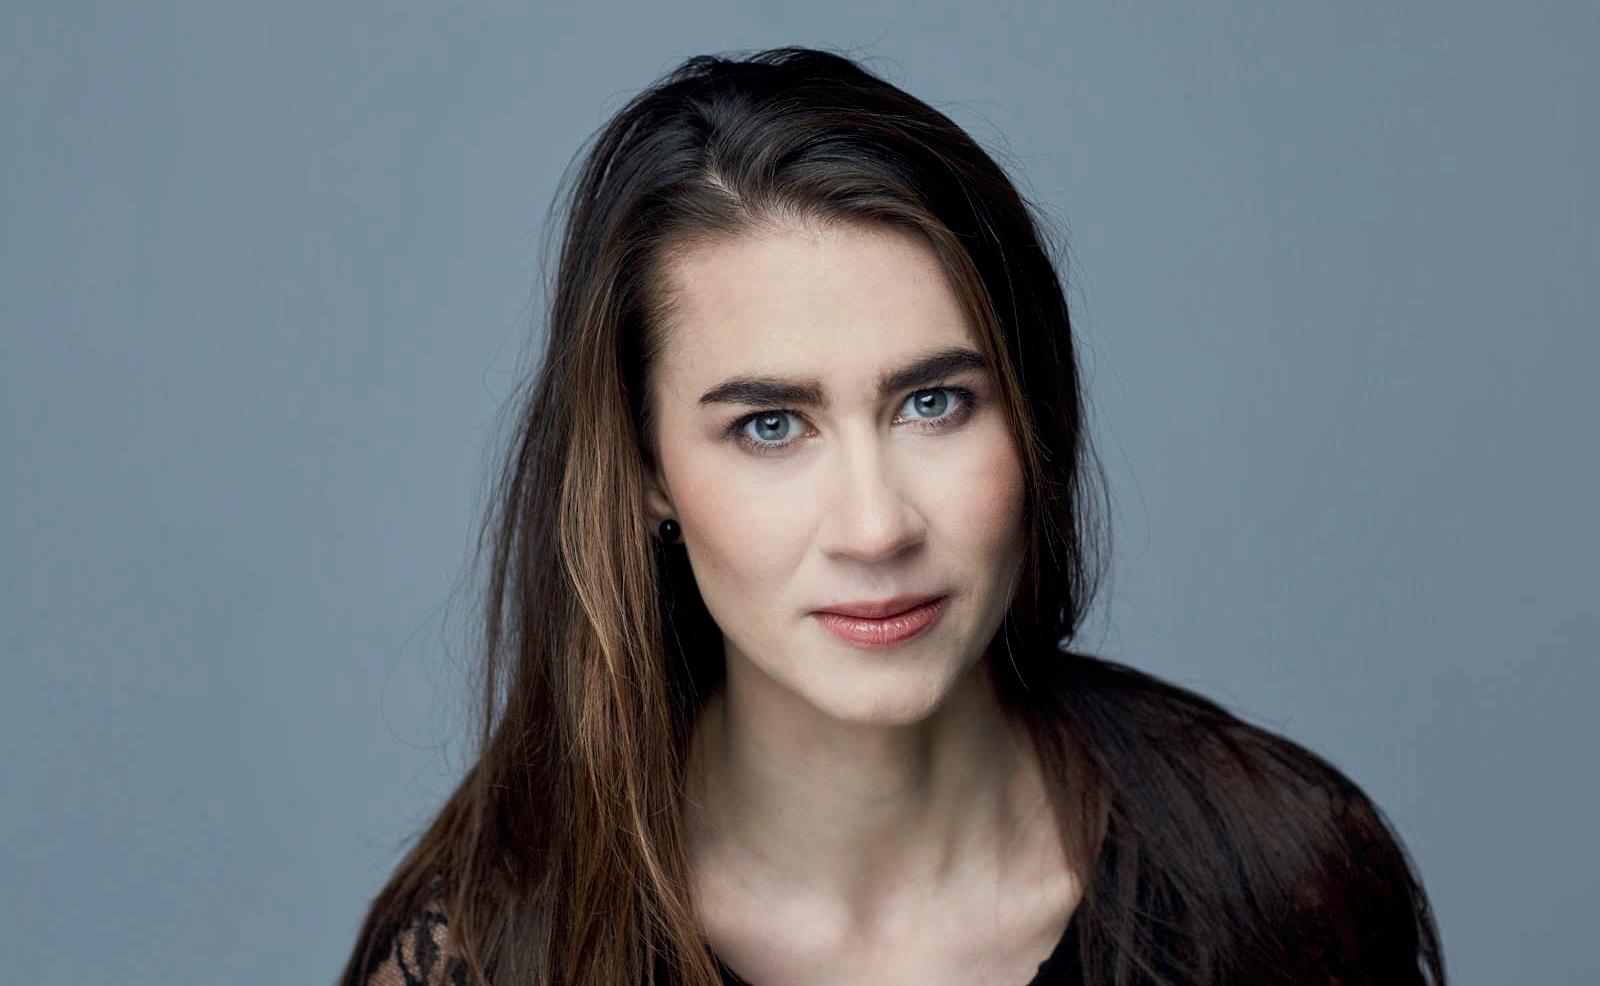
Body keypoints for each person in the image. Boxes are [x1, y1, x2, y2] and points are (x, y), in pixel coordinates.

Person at [337, 45, 1446, 986]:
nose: (875, 529)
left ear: (1031, 415)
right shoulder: (492, 949)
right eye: (770, 425)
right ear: (644, 468)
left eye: (934, 403)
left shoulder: (1275, 881)